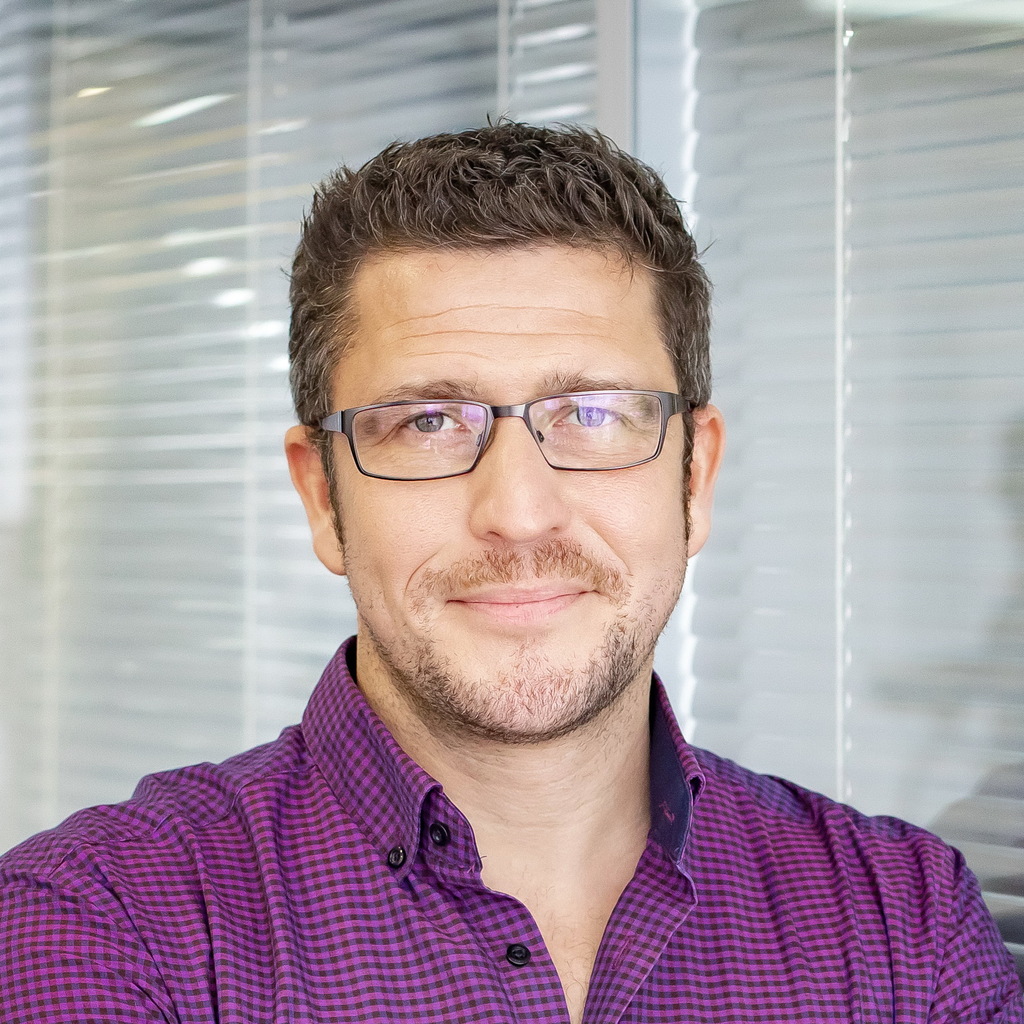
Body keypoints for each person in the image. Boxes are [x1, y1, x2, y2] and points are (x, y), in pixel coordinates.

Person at [0, 123, 1019, 1023]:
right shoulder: (101, 926)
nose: (519, 512)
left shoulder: (904, 920)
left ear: (695, 477)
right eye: (427, 422)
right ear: (322, 497)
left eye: (593, 413)